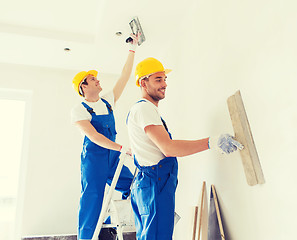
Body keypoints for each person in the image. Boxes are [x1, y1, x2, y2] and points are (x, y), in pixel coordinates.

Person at [126, 57, 244, 240]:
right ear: (143, 82)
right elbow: (168, 148)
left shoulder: (145, 111)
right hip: (153, 184)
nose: (164, 84)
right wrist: (212, 142)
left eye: (165, 79)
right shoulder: (144, 109)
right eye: (158, 79)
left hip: (151, 184)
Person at [71, 34, 139, 240]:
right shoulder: (79, 110)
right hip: (94, 161)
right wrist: (120, 148)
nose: (97, 80)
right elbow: (93, 136)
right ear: (83, 86)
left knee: (135, 185)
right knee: (92, 201)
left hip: (112, 159)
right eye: (92, 79)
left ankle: (134, 222)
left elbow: (125, 77)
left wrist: (132, 49)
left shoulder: (108, 101)